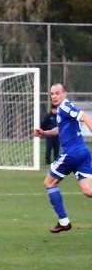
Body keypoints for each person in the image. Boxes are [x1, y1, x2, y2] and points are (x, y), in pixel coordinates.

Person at [33, 82, 92, 233]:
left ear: (64, 94)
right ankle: (63, 222)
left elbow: (86, 118)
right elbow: (60, 129)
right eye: (52, 94)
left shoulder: (65, 107)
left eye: (57, 93)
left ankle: (64, 222)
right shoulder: (62, 109)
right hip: (83, 153)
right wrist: (45, 133)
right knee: (88, 191)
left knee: (49, 183)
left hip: (71, 154)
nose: (54, 96)